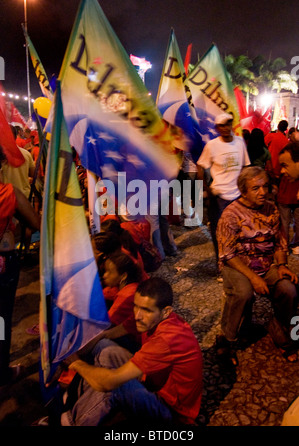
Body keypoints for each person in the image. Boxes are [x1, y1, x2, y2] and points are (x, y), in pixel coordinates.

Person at [60, 277, 203, 426]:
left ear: (166, 312)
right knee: (104, 347)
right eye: (136, 306)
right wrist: (72, 354)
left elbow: (110, 382)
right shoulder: (150, 319)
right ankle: (75, 399)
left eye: (146, 310)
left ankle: (68, 422)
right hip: (151, 383)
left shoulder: (168, 338)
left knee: (115, 386)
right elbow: (106, 334)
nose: (137, 316)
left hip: (171, 412)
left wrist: (76, 363)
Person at [216, 166, 299, 365]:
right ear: (243, 191)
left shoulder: (272, 209)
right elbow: (227, 254)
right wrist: (253, 278)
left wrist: (281, 264)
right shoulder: (230, 214)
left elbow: (279, 241)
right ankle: (226, 338)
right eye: (255, 188)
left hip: (266, 263)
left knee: (289, 289)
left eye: (265, 187)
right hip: (237, 265)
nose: (263, 192)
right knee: (243, 292)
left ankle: (282, 331)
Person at [0, 147, 40, 385]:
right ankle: (2, 372)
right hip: (4, 264)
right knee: (2, 318)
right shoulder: (8, 193)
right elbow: (34, 223)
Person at [197, 112, 250, 278]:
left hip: (238, 196)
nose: (226, 128)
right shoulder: (212, 146)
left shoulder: (240, 142)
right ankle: (222, 267)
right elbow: (200, 165)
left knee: (241, 233)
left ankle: (241, 266)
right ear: (217, 128)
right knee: (219, 234)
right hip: (219, 197)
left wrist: (246, 189)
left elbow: (246, 166)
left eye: (229, 124)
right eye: (222, 125)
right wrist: (206, 187)